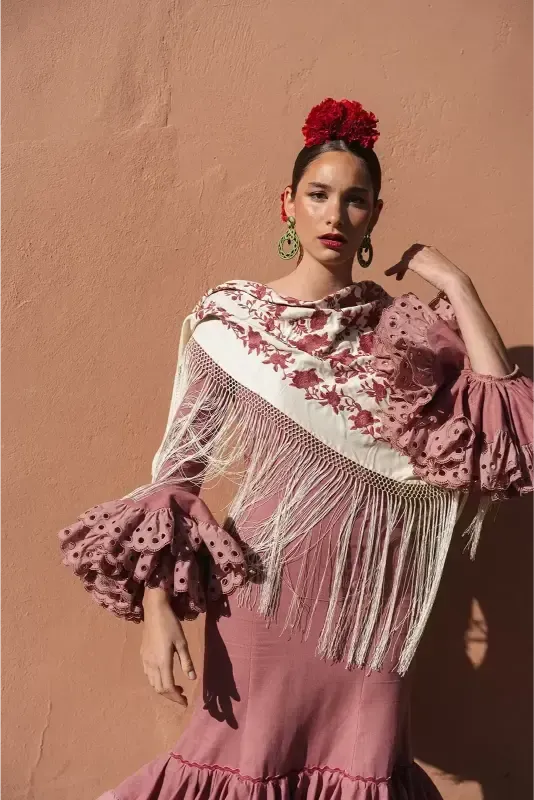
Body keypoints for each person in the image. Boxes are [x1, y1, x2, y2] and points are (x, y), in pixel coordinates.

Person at [58, 98, 534, 800]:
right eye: (318, 195)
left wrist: (459, 287)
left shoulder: (406, 333)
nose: (335, 216)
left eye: (355, 200)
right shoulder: (230, 323)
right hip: (262, 601)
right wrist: (156, 615)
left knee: (364, 772)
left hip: (373, 619)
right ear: (289, 205)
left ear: (375, 213)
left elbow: (509, 434)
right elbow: (176, 480)